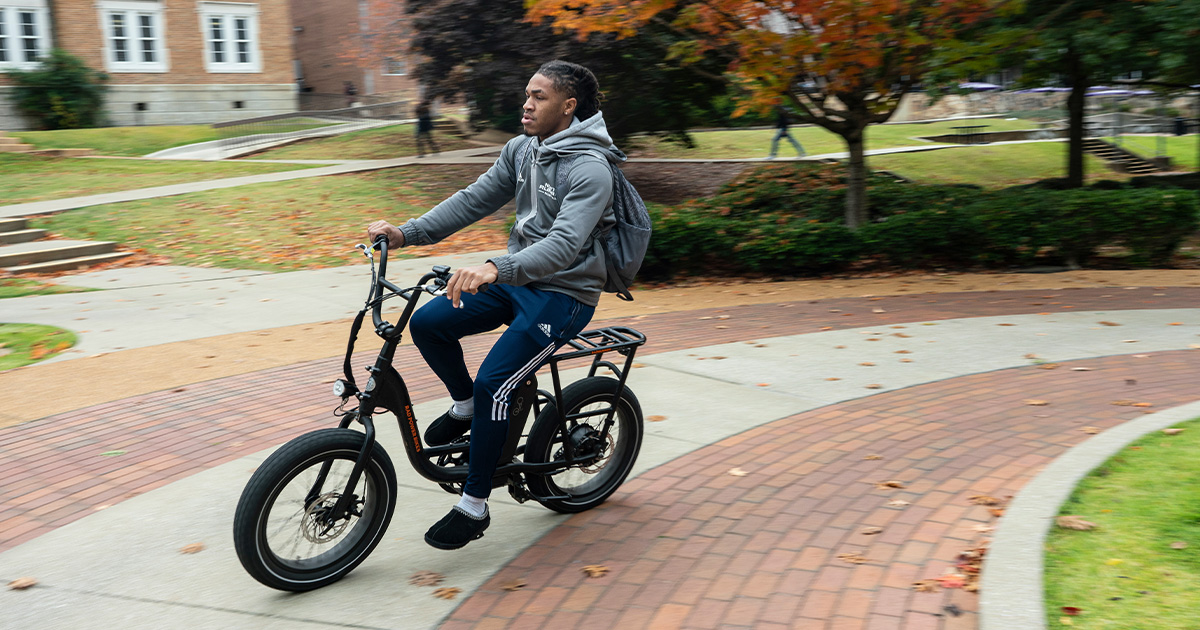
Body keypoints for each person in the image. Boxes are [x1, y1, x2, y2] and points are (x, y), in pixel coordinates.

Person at [367, 60, 619, 550]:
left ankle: (474, 505)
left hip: (564, 294)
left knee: (495, 383)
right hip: (518, 277)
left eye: (540, 97)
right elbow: (472, 199)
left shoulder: (590, 168)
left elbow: (565, 246)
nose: (526, 103)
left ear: (568, 107)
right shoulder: (522, 150)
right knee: (429, 323)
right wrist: (405, 233)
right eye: (527, 93)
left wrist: (493, 269)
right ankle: (464, 408)